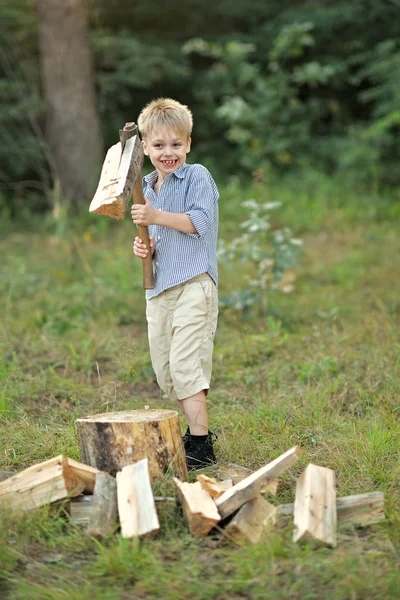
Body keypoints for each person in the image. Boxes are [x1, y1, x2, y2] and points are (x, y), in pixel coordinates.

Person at [131, 98, 219, 470]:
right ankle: (191, 435)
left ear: (188, 143)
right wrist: (143, 246)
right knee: (165, 371)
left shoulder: (196, 176)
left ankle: (201, 444)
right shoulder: (148, 189)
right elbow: (156, 238)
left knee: (186, 365)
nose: (168, 153)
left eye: (176, 144)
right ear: (146, 148)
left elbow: (199, 222)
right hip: (160, 289)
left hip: (193, 284)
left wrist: (156, 217)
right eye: (159, 145)